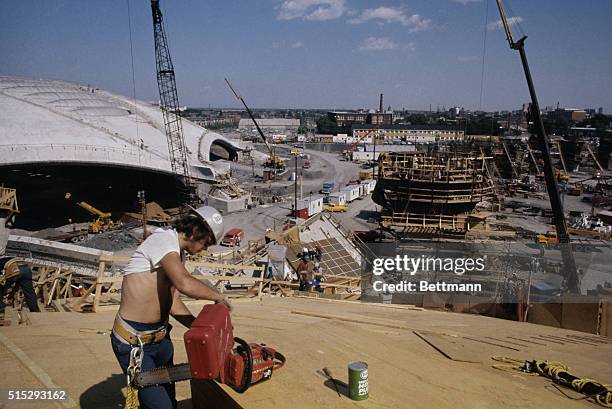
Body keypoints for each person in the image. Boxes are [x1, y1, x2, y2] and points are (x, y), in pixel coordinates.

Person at [110, 206, 231, 409]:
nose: (206, 249)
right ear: (194, 231)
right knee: (160, 406)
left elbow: (173, 303)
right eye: (207, 242)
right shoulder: (163, 240)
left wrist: (200, 329)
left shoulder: (176, 255)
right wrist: (217, 296)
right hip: (135, 342)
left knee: (169, 403)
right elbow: (184, 282)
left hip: (160, 340)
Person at [0, 216, 40, 319]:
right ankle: (35, 312)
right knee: (29, 292)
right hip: (24, 267)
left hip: (14, 269)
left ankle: (1, 308)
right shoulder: (4, 254)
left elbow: (3, 278)